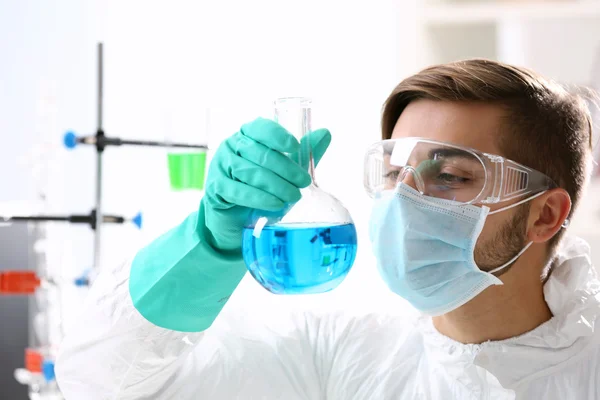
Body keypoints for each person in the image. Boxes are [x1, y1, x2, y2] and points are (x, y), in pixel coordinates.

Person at [55, 59, 599, 399]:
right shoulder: (344, 351)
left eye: (450, 176)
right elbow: (103, 383)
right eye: (390, 173)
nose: (402, 203)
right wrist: (209, 243)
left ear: (544, 214)